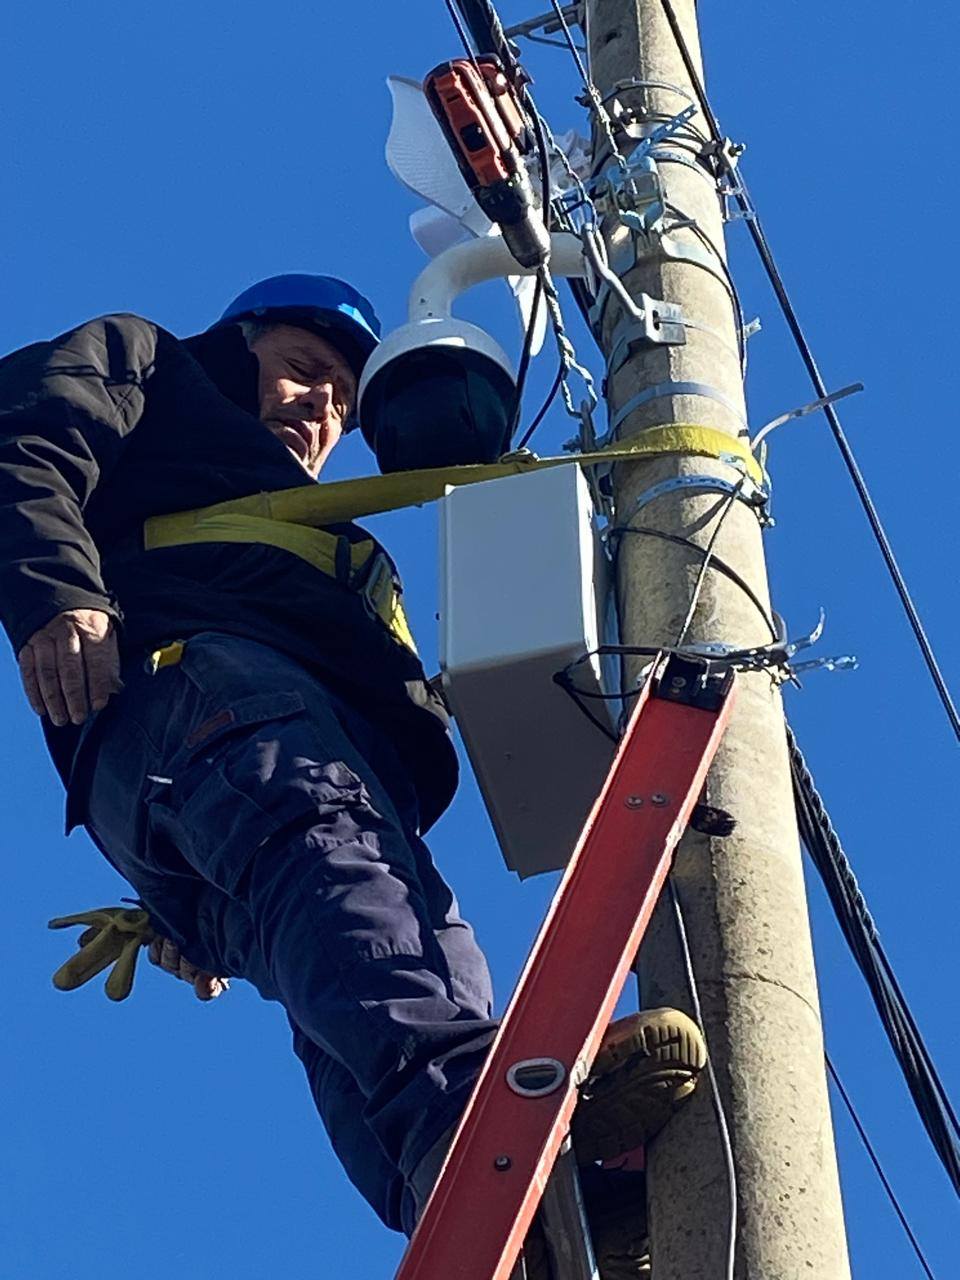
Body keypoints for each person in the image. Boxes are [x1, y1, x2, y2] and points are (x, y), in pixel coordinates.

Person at [0, 274, 703, 1274]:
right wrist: (55, 591)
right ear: (237, 342)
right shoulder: (149, 361)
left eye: (341, 401)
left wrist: (183, 897)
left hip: (245, 776)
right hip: (212, 694)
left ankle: (503, 1210)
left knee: (412, 957)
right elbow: (25, 430)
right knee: (340, 871)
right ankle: (476, 1114)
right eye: (302, 370)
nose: (320, 407)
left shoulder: (326, 532)